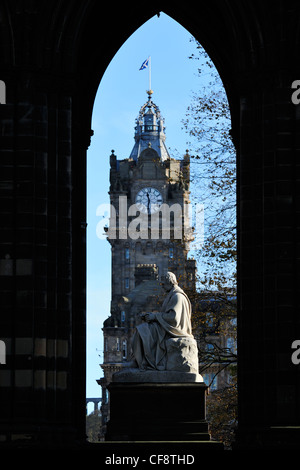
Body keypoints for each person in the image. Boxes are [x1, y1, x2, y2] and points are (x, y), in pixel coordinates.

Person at [131, 272, 194, 370]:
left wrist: (155, 317)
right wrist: (151, 317)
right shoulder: (172, 295)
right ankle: (139, 360)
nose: (163, 287)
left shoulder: (178, 296)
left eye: (163, 284)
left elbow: (174, 318)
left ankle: (144, 362)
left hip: (174, 331)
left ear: (170, 282)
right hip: (167, 327)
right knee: (142, 329)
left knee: (143, 331)